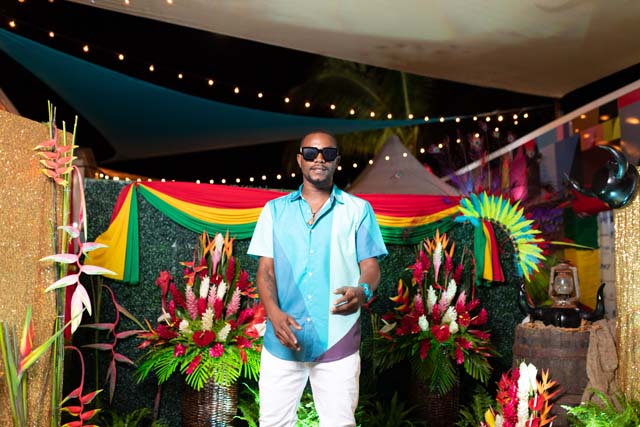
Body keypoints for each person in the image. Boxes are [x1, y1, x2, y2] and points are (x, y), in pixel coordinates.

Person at [248, 131, 388, 427]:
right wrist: (273, 314)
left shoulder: (358, 210)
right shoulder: (274, 211)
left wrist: (362, 290)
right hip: (283, 341)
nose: (319, 159)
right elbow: (265, 271)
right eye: (311, 153)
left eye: (328, 153)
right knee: (272, 423)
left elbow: (371, 267)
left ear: (337, 160)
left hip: (338, 340)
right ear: (300, 159)